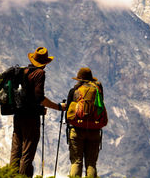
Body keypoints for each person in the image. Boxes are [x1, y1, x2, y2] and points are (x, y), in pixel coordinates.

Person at [9, 47, 66, 177]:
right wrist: (58, 106)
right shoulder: (39, 73)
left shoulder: (23, 71)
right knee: (27, 153)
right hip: (30, 118)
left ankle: (9, 175)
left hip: (18, 116)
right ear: (45, 63)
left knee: (16, 151)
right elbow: (39, 97)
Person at [66, 67, 107, 178]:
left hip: (77, 130)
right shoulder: (98, 90)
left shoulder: (74, 91)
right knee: (91, 163)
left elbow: (68, 113)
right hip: (94, 131)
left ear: (79, 79)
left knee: (76, 161)